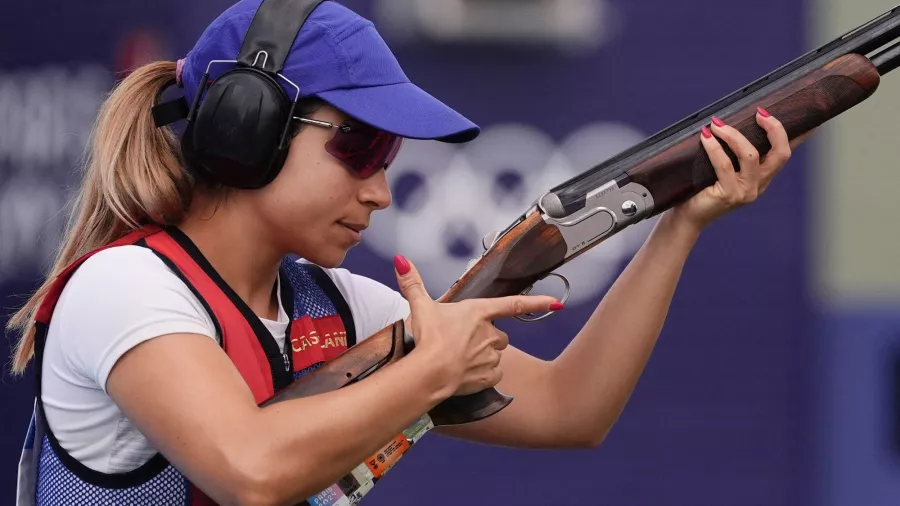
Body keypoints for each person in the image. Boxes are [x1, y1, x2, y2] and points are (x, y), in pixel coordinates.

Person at [6, 1, 805, 505]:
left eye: (388, 156)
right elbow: (246, 473)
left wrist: (679, 225)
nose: (380, 190)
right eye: (358, 147)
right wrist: (431, 372)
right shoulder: (126, 286)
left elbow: (573, 410)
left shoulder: (341, 308)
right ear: (247, 126)